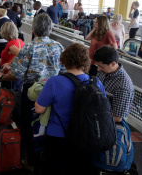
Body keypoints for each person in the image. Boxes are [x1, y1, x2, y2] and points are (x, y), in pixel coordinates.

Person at [0, 13, 64, 168]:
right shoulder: (59, 47)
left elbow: (17, 74)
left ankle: (30, 160)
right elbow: (64, 71)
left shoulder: (29, 48)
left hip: (31, 93)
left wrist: (2, 77)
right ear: (50, 29)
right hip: (54, 91)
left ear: (34, 29)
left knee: (29, 125)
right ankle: (47, 158)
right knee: (49, 124)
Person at [35, 43, 106, 175]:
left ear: (65, 60)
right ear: (86, 61)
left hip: (58, 136)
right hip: (87, 137)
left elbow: (39, 109)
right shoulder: (96, 83)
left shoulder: (54, 82)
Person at [94, 46, 134, 123]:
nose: (98, 69)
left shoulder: (123, 86)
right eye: (97, 66)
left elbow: (117, 117)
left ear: (113, 64)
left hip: (105, 124)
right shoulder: (104, 71)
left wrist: (92, 116)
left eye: (101, 67)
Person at [0, 22, 25, 91]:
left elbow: (20, 54)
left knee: (7, 97)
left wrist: (9, 64)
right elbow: (16, 54)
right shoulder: (19, 41)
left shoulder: (11, 44)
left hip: (9, 75)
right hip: (18, 75)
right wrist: (2, 58)